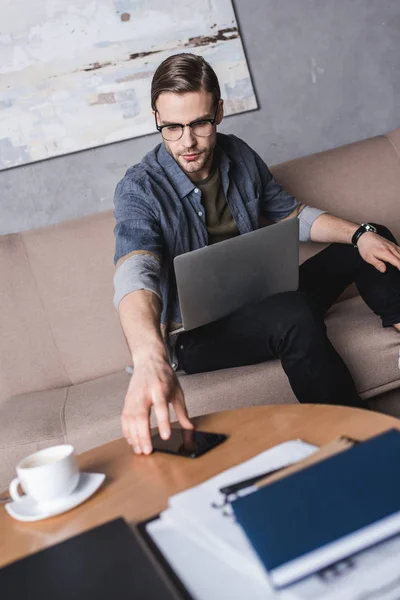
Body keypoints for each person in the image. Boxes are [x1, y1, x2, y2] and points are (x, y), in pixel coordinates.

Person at [114, 53, 400, 456]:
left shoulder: (238, 154)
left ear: (219, 111)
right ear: (156, 119)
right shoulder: (139, 189)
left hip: (263, 299)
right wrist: (148, 357)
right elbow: (134, 271)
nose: (187, 142)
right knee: (293, 313)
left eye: (199, 123)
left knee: (373, 237)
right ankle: (364, 449)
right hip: (195, 336)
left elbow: (293, 216)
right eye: (171, 128)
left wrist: (359, 233)